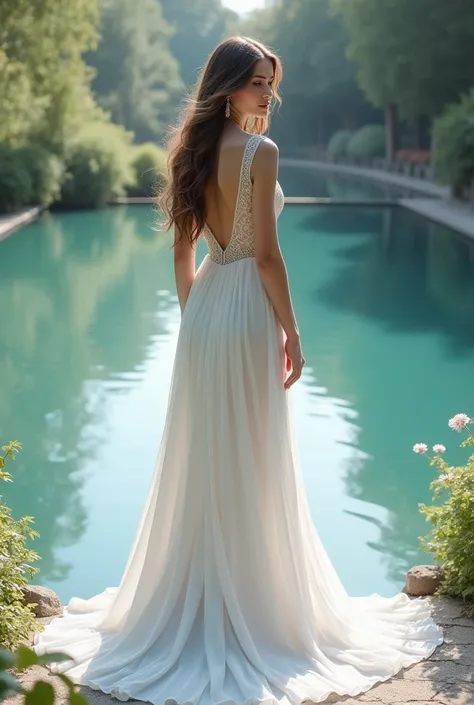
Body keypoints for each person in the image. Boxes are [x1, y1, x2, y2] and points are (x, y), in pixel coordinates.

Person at [34, 35, 443, 705]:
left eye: (271, 84)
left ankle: (209, 599)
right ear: (228, 85)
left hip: (206, 313)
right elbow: (267, 258)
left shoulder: (194, 152)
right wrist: (294, 331)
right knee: (253, 456)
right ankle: (255, 605)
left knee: (206, 457)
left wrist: (199, 323)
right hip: (250, 311)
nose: (268, 95)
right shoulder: (261, 153)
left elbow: (181, 257)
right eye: (257, 82)